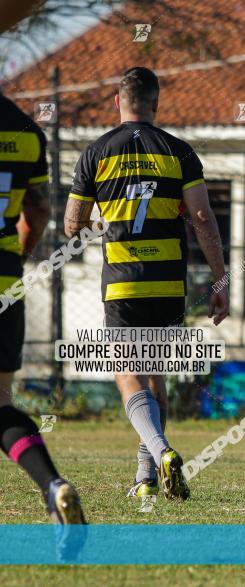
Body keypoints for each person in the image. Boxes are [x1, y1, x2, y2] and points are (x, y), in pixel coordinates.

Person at [64, 67, 229, 501]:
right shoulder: (179, 152)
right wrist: (220, 279)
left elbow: (71, 224)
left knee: (127, 374)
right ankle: (145, 477)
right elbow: (201, 218)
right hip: (169, 284)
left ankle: (161, 452)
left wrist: (100, 219)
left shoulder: (96, 153)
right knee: (157, 379)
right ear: (156, 104)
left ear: (117, 102)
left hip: (122, 285)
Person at [0, 90, 86, 523]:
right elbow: (37, 209)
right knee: (0, 404)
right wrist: (18, 254)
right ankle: (53, 485)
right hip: (4, 279)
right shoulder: (26, 132)